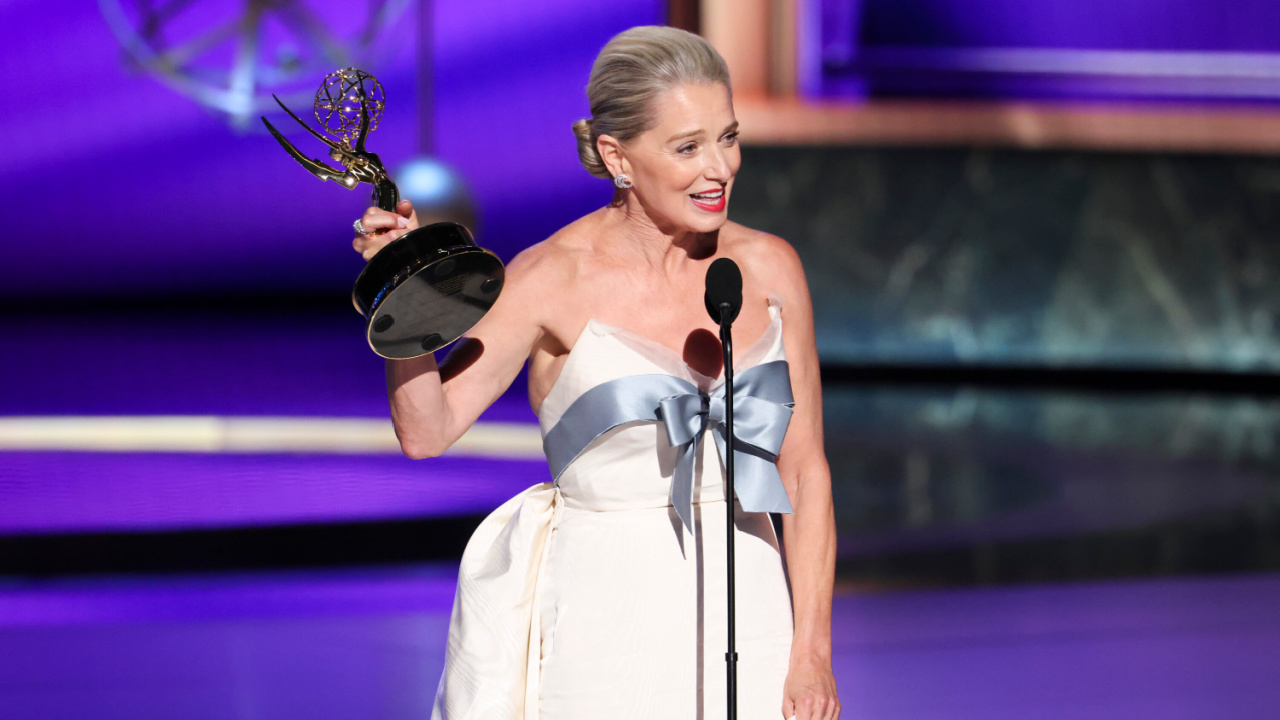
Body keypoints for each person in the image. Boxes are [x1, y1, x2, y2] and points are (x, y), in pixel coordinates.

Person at [353, 26, 839, 720]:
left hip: (752, 619)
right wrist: (405, 300)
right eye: (688, 147)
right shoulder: (550, 277)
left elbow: (805, 471)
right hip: (605, 630)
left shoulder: (769, 268)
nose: (720, 168)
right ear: (617, 156)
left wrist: (811, 652)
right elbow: (427, 432)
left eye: (728, 137)